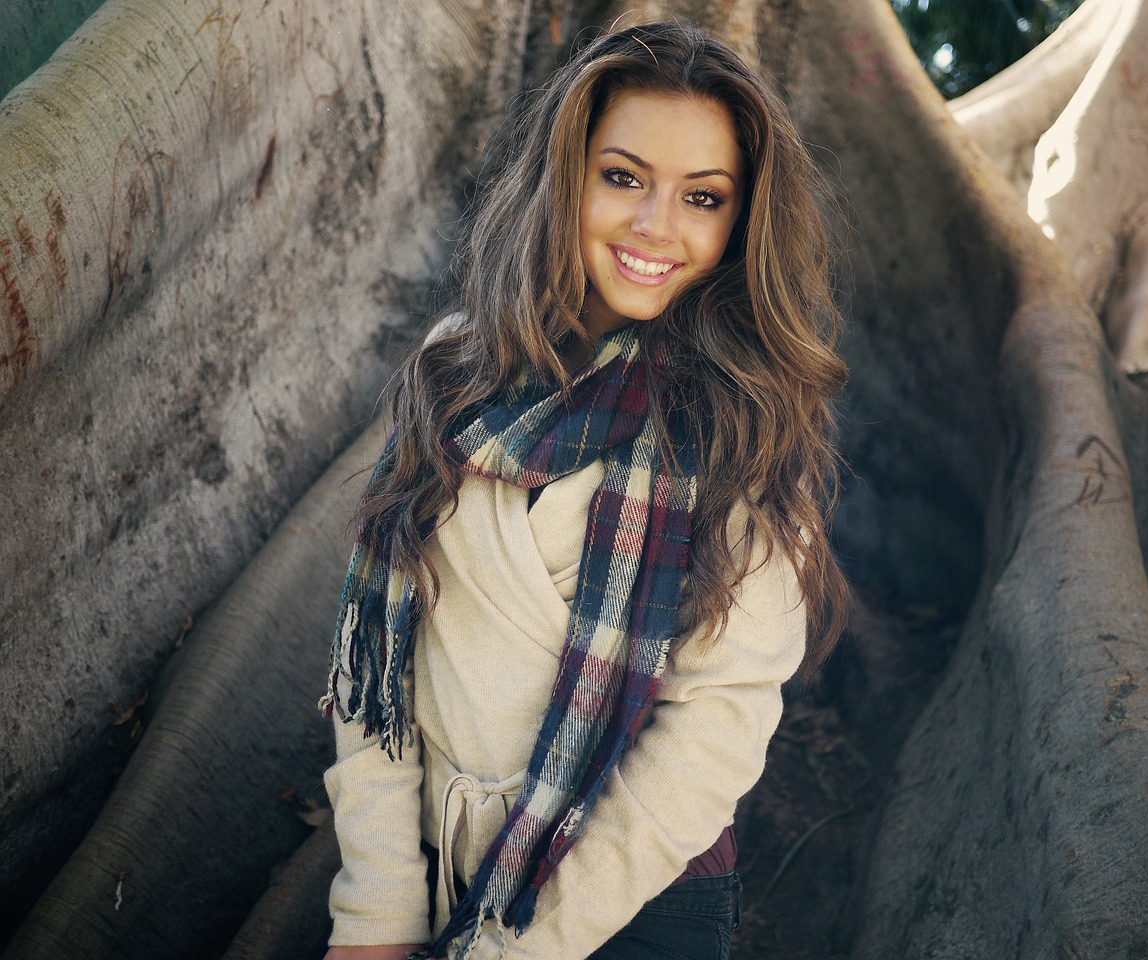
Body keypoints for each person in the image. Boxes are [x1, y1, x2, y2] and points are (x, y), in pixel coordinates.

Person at [317, 17, 851, 960]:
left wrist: (511, 948)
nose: (656, 226)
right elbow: (378, 674)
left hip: (633, 907)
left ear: (741, 221)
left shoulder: (743, 427)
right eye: (622, 177)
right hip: (439, 873)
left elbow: (711, 740)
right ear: (566, 175)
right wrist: (376, 916)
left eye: (703, 196)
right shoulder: (455, 373)